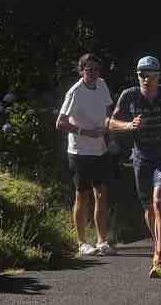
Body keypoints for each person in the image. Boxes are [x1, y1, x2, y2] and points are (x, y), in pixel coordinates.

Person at [108, 56, 161, 279]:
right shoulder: (129, 95)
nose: (146, 79)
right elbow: (110, 122)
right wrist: (128, 125)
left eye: (150, 75)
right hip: (141, 158)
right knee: (148, 209)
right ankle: (157, 243)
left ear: (158, 76)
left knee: (159, 200)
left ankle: (160, 255)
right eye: (141, 75)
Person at [55, 53, 116, 256]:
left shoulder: (102, 84)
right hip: (79, 151)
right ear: (81, 71)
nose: (93, 73)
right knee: (82, 195)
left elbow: (108, 109)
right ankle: (82, 243)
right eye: (88, 70)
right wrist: (85, 132)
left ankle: (101, 240)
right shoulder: (75, 92)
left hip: (100, 149)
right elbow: (60, 123)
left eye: (96, 70)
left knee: (102, 194)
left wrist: (109, 131)